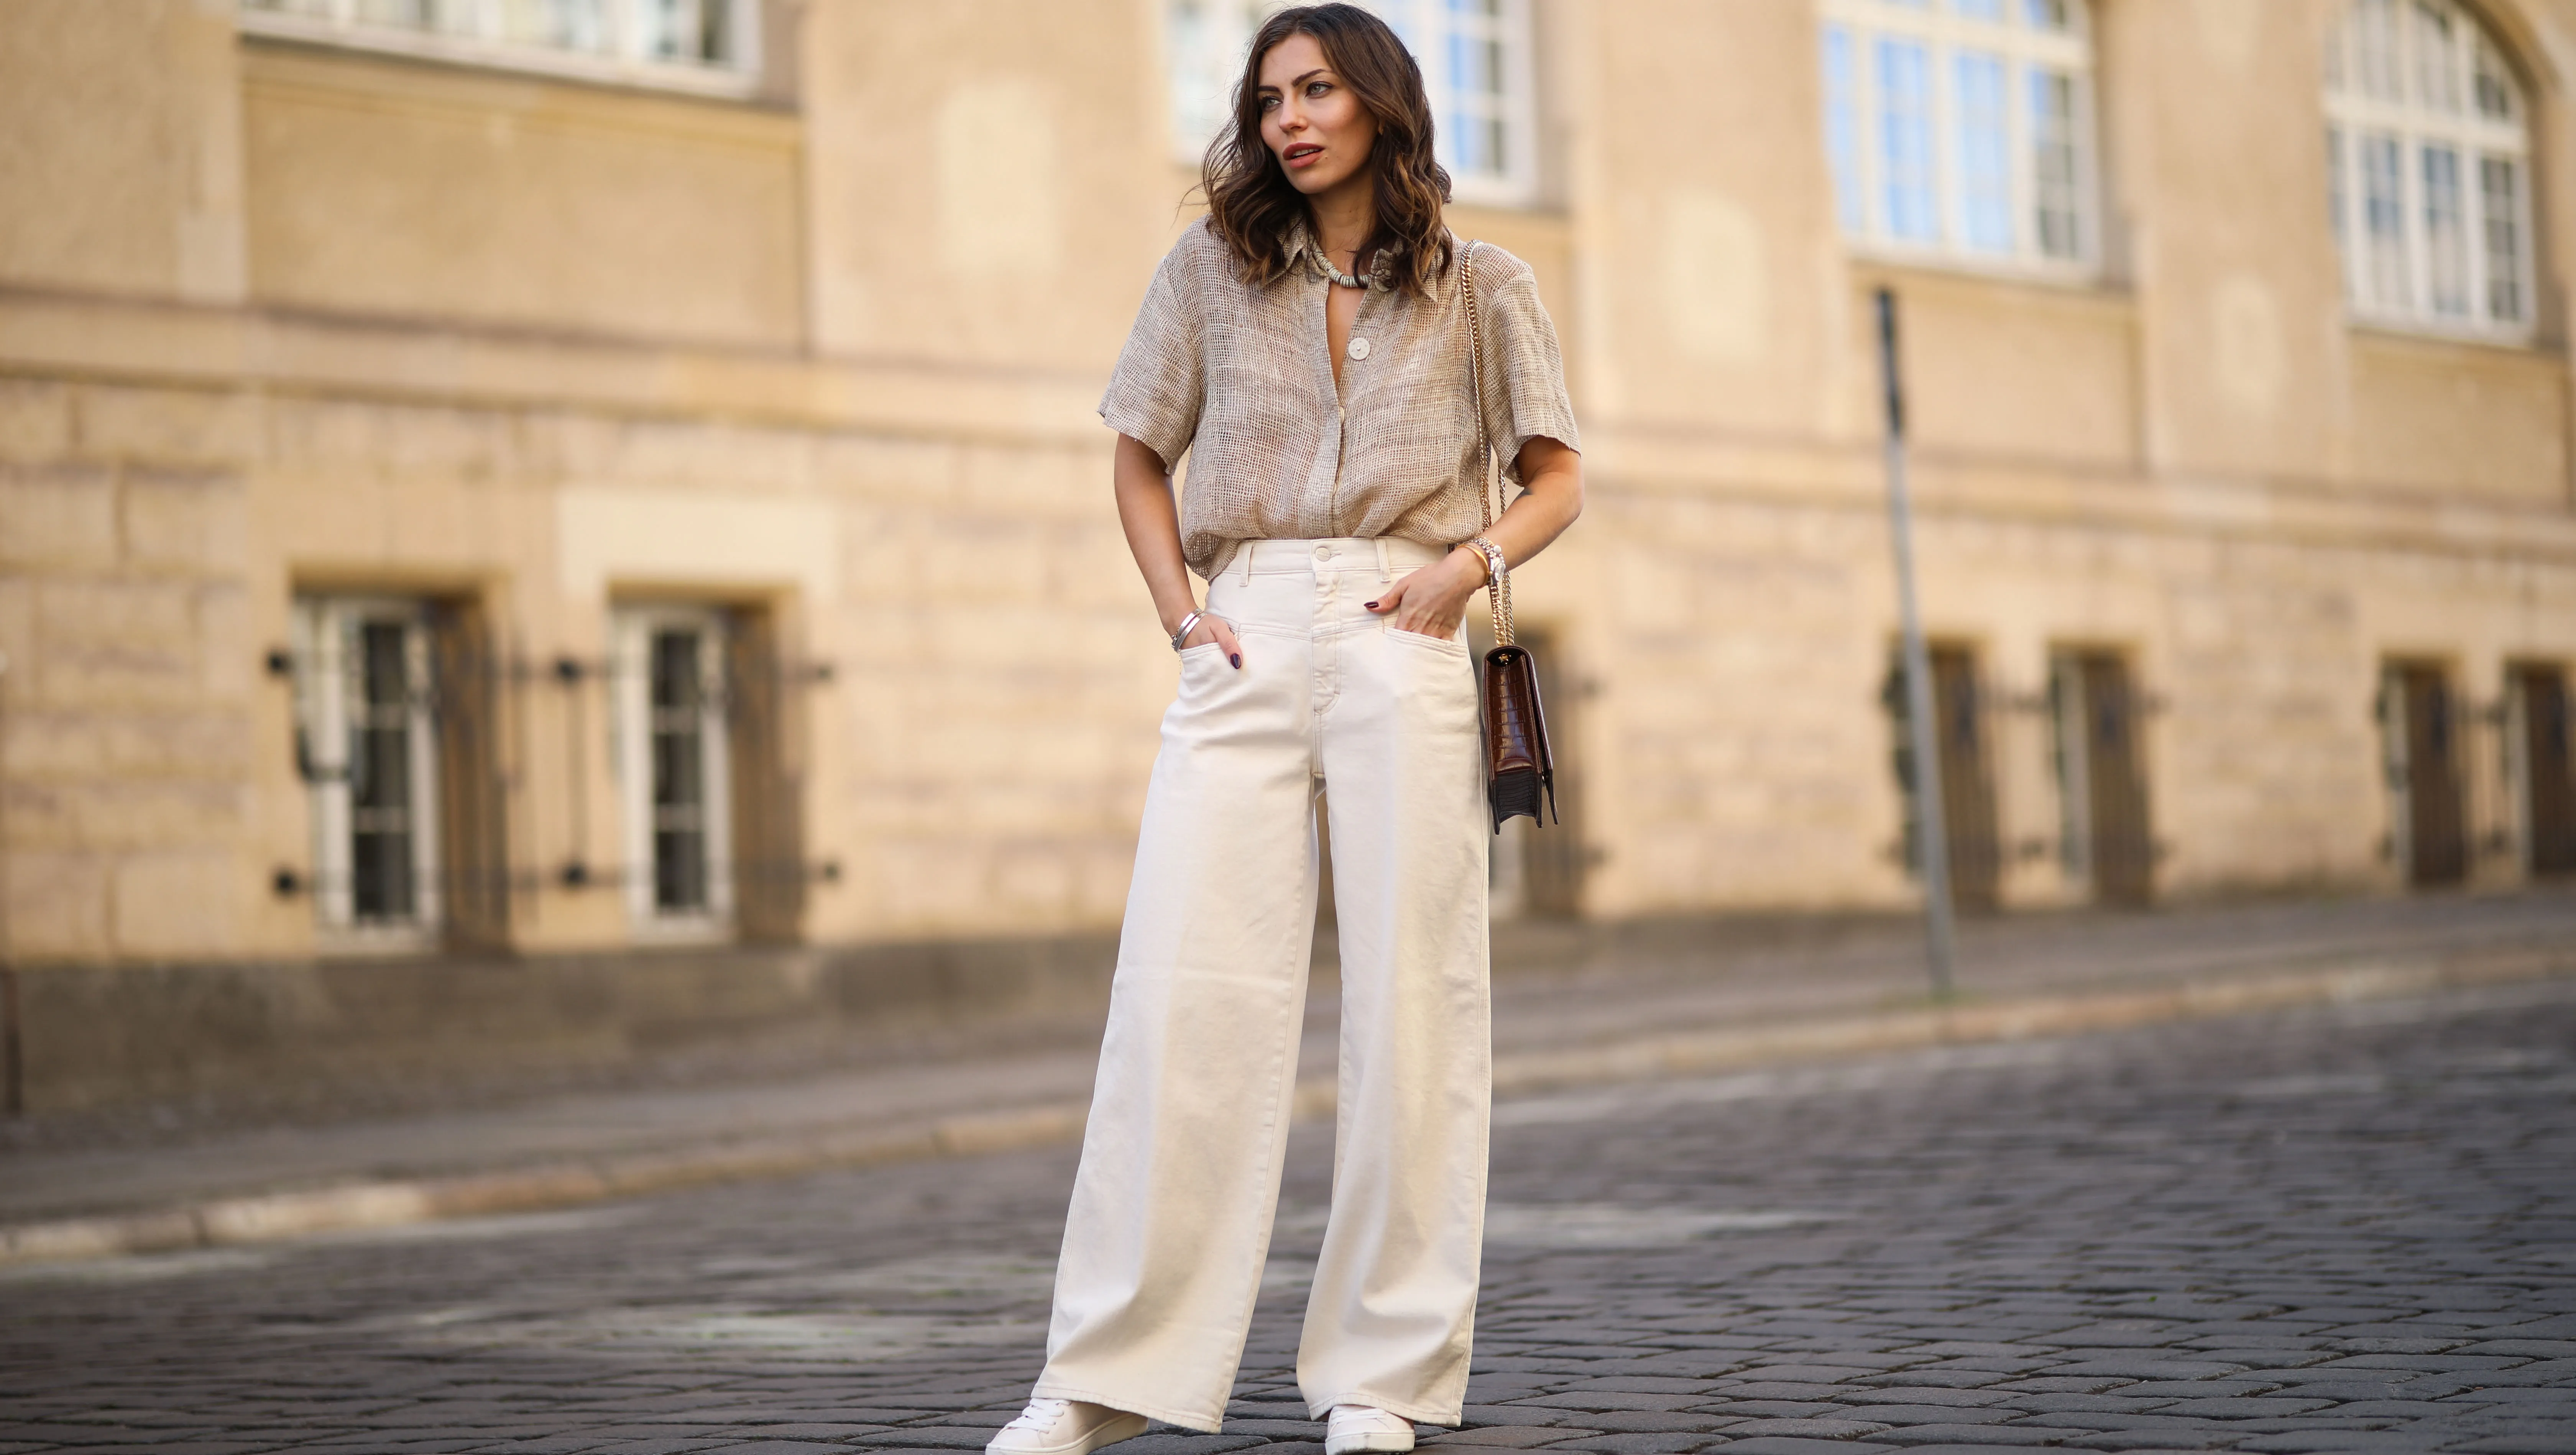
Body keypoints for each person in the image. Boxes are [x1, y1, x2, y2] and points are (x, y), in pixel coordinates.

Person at [988, 7, 1581, 1454]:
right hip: (1243, 622)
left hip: (1406, 625)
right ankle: (1105, 1375)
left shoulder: (1484, 286)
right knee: (1180, 987)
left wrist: (1463, 569)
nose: (1289, 121)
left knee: (1413, 998)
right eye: (1267, 101)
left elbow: (1559, 478)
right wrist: (1182, 615)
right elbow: (1137, 451)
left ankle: (1382, 1375)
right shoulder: (1208, 268)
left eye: (1317, 90)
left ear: (1382, 100)